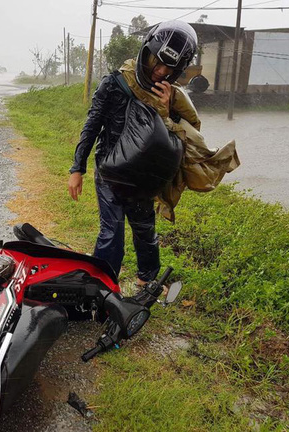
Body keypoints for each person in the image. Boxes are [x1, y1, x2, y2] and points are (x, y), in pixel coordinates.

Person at [68, 21, 199, 288]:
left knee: (144, 230)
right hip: (110, 172)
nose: (159, 72)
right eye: (156, 62)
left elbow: (183, 137)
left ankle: (147, 281)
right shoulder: (114, 83)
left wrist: (165, 109)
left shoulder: (171, 97)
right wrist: (77, 168)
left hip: (144, 175)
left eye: (169, 69)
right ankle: (102, 286)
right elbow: (92, 125)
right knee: (111, 231)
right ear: (146, 52)